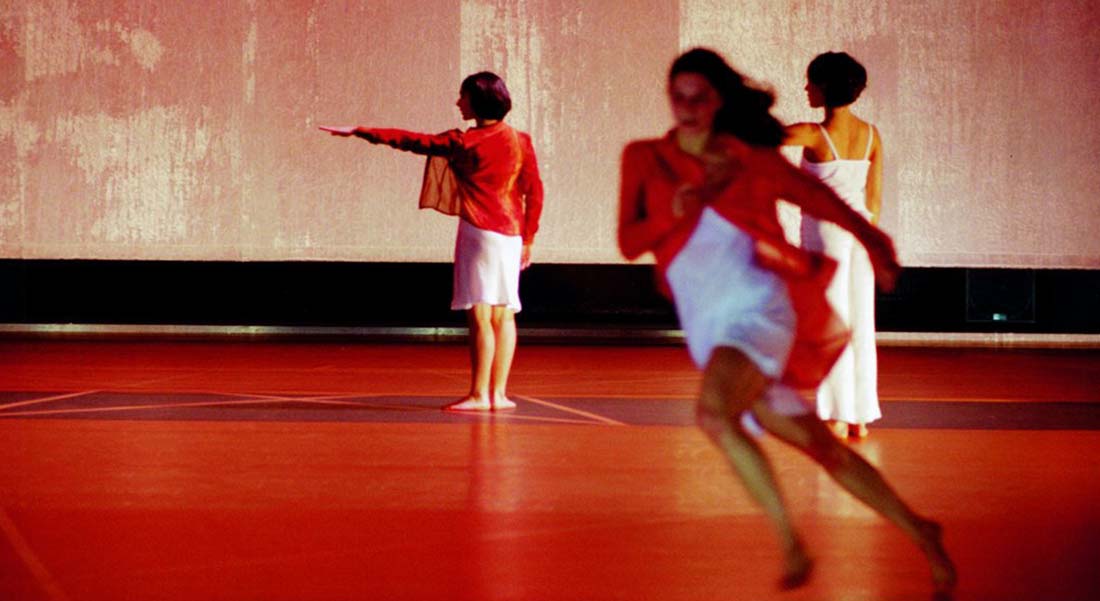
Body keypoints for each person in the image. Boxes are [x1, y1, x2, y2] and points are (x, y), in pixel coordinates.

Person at [618, 48, 955, 595]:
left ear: (719, 100)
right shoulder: (645, 158)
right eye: (677, 96)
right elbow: (630, 241)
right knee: (820, 446)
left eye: (699, 96)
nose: (686, 107)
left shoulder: (749, 157)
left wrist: (874, 241)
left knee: (714, 413)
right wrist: (673, 210)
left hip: (756, 310)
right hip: (709, 320)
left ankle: (792, 544)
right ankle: (922, 530)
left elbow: (818, 197)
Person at [321, 71, 543, 412]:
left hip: (480, 233)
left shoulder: (466, 142)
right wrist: (528, 238)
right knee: (506, 312)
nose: (458, 102)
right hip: (511, 235)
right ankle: (499, 394)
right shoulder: (520, 140)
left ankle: (480, 395)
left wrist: (361, 131)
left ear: (478, 99)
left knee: (482, 314)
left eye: (463, 96)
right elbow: (535, 192)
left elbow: (412, 141)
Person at [785, 52, 882, 440]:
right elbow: (873, 203)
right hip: (861, 236)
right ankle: (859, 414)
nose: (806, 88)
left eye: (810, 81)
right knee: (860, 323)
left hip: (828, 236)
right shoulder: (873, 135)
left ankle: (837, 416)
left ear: (824, 87)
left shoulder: (812, 133)